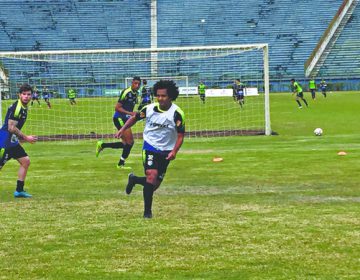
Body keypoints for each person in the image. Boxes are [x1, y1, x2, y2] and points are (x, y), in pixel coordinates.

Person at [115, 80, 185, 219]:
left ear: (170, 96)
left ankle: (134, 180)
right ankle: (147, 212)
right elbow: (134, 119)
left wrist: (174, 151)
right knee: (151, 175)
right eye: (158, 95)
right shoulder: (148, 109)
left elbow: (181, 135)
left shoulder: (177, 113)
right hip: (150, 146)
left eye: (163, 96)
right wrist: (122, 129)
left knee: (154, 185)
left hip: (166, 150)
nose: (160, 98)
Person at [0, 84, 37, 198]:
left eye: (28, 94)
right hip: (4, 142)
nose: (26, 96)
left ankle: (19, 190)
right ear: (19, 95)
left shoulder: (24, 107)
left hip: (12, 141)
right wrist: (26, 138)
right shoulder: (17, 108)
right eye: (24, 94)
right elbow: (11, 127)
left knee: (25, 161)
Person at [96, 76, 141, 169]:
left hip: (126, 119)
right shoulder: (126, 92)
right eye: (135, 83)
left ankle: (102, 145)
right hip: (119, 118)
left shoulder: (136, 93)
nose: (137, 85)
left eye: (138, 84)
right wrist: (130, 113)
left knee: (126, 144)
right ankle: (120, 164)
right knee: (130, 142)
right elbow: (117, 108)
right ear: (132, 83)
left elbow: (130, 107)